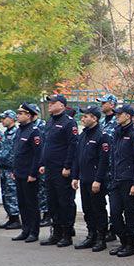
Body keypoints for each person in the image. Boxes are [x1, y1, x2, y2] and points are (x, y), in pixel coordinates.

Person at [37, 94, 79, 247]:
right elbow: (46, 145)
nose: (50, 105)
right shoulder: (49, 122)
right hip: (50, 169)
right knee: (52, 201)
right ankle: (56, 232)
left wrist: (67, 166)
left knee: (64, 202)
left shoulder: (69, 122)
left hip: (62, 169)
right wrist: (42, 163)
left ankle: (67, 234)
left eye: (53, 103)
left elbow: (73, 146)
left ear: (61, 105)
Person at [70, 105, 111, 251]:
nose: (83, 118)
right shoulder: (83, 135)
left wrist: (98, 180)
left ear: (94, 118)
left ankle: (101, 238)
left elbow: (103, 160)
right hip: (84, 178)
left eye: (86, 116)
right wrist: (75, 176)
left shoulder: (102, 135)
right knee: (87, 209)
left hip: (95, 180)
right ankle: (91, 235)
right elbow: (77, 157)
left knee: (98, 209)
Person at [105, 104, 134, 257]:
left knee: (130, 213)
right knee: (114, 213)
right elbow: (113, 157)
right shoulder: (117, 133)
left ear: (128, 116)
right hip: (116, 179)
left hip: (128, 180)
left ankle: (130, 244)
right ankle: (123, 241)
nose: (116, 116)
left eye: (119, 114)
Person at [9, 103, 43, 243]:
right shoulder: (19, 130)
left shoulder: (34, 132)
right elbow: (17, 153)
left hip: (29, 174)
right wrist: (14, 170)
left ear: (28, 115)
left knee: (31, 204)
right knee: (22, 203)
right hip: (19, 172)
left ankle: (34, 232)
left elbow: (37, 154)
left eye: (21, 113)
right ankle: (25, 229)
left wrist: (33, 173)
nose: (18, 115)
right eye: (18, 112)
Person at [0, 110, 21, 230]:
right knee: (6, 194)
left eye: (4, 118)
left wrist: (14, 169)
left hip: (11, 169)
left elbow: (16, 153)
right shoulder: (6, 133)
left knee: (12, 195)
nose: (2, 120)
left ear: (11, 119)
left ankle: (15, 219)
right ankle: (11, 218)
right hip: (4, 169)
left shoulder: (16, 133)